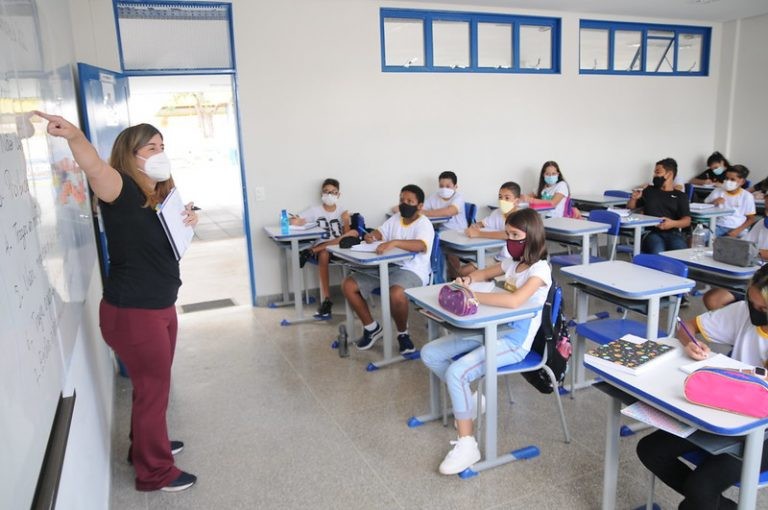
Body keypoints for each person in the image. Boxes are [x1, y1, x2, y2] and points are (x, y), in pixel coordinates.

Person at [34, 112, 197, 492]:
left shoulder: (155, 196)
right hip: (135, 313)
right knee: (154, 389)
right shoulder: (119, 186)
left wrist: (186, 222)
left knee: (151, 387)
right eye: (151, 148)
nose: (160, 154)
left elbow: (161, 247)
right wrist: (74, 135)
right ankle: (154, 472)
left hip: (158, 306)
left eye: (163, 147)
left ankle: (145, 446)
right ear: (130, 155)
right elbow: (92, 166)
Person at [421, 208, 551, 475]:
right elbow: (484, 273)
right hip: (493, 329)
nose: (509, 241)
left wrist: (473, 296)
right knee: (431, 354)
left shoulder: (540, 269)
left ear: (532, 237)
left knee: (457, 372)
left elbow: (515, 301)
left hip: (515, 342)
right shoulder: (514, 264)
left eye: (515, 235)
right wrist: (468, 279)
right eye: (507, 234)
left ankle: (468, 445)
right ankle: (471, 400)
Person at [636, 264, 768, 510]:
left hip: (761, 432)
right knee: (650, 450)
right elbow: (688, 326)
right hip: (724, 410)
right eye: (752, 302)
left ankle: (702, 503)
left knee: (701, 488)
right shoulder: (742, 312)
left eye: (763, 309)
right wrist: (691, 343)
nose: (755, 312)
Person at [342, 184, 434, 354]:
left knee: (396, 293)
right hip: (386, 266)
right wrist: (372, 236)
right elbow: (381, 232)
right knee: (349, 285)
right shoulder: (396, 218)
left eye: (409, 201)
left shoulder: (424, 224)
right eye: (401, 200)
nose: (404, 203)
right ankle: (372, 328)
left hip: (413, 270)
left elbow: (421, 245)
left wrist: (395, 242)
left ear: (420, 206)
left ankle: (403, 334)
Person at [294, 178, 357, 319]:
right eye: (326, 192)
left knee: (352, 234)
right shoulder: (314, 210)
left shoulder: (342, 211)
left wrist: (346, 220)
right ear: (322, 194)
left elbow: (347, 235)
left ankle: (309, 252)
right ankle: (327, 300)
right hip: (322, 248)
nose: (329, 195)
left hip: (338, 246)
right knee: (323, 253)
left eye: (333, 192)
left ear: (338, 195)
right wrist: (296, 221)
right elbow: (293, 220)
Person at [703, 193, 768, 310]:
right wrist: (726, 244)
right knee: (712, 299)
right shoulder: (762, 223)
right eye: (766, 208)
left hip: (764, 282)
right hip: (752, 276)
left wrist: (755, 251)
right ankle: (733, 326)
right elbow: (745, 244)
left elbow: (753, 250)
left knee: (757, 306)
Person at [627, 158, 691, 254]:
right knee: (658, 249)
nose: (654, 176)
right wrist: (634, 198)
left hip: (673, 233)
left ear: (669, 174)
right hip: (650, 232)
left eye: (658, 172)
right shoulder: (649, 191)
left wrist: (672, 224)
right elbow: (630, 207)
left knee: (680, 250)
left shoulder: (680, 196)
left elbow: (687, 221)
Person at [459, 181, 521, 276]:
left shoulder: (520, 217)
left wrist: (478, 234)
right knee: (463, 271)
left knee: (475, 275)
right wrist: (475, 226)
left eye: (507, 198)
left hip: (513, 260)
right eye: (500, 197)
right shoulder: (497, 213)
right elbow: (484, 223)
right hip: (497, 256)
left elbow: (508, 234)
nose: (502, 200)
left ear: (517, 201)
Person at [702, 164, 756, 238]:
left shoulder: (747, 196)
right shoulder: (718, 191)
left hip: (738, 227)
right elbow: (703, 208)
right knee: (699, 237)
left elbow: (751, 219)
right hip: (718, 225)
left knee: (744, 244)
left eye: (732, 179)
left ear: (742, 182)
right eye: (726, 178)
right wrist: (713, 203)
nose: (728, 181)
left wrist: (736, 231)